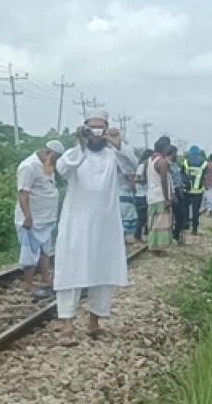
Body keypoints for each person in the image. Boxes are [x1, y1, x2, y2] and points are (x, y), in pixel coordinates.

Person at [52, 111, 138, 340]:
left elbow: (132, 166)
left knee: (104, 271)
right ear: (85, 128)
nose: (97, 132)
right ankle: (68, 325)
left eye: (102, 128)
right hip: (77, 223)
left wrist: (118, 143)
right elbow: (63, 170)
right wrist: (81, 144)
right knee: (71, 269)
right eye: (92, 127)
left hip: (106, 223)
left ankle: (95, 323)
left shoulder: (113, 155)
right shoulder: (74, 153)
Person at [16, 140, 65, 297]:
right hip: (32, 218)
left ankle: (46, 278)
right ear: (49, 153)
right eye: (56, 158)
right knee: (29, 252)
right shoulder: (28, 166)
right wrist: (28, 217)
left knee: (45, 251)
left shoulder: (47, 165)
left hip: (46, 217)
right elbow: (23, 193)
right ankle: (29, 285)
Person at [146, 140, 176, 253]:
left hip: (151, 195)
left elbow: (145, 178)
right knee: (161, 223)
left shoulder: (148, 161)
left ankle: (153, 245)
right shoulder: (162, 162)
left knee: (153, 223)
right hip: (160, 196)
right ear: (165, 149)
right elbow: (164, 181)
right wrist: (167, 199)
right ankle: (157, 248)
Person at [183, 146, 205, 235]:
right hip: (198, 190)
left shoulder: (185, 162)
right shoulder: (203, 163)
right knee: (196, 210)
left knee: (185, 208)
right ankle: (194, 228)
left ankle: (186, 223)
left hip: (187, 190)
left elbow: (182, 174)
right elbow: (205, 176)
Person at [117, 150, 138, 242]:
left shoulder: (113, 168)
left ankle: (120, 238)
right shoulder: (129, 171)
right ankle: (124, 238)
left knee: (119, 219)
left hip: (117, 196)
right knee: (127, 217)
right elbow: (132, 186)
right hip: (127, 196)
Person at [132, 150, 151, 243]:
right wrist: (148, 179)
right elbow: (137, 179)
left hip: (144, 195)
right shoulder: (142, 167)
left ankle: (140, 235)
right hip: (141, 195)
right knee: (142, 217)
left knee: (144, 217)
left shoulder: (145, 167)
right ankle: (137, 236)